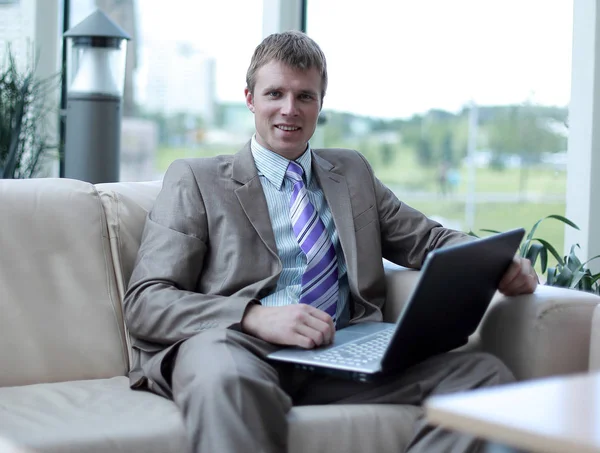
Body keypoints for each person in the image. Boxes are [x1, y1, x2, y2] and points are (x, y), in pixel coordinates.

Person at [123, 31, 538, 453]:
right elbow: (145, 301)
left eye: (305, 96)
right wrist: (252, 316)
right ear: (250, 98)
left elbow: (428, 238)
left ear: (321, 103)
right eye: (275, 93)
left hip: (342, 351)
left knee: (484, 377)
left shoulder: (352, 172)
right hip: (236, 346)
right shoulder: (197, 179)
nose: (290, 109)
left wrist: (499, 263)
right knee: (225, 377)